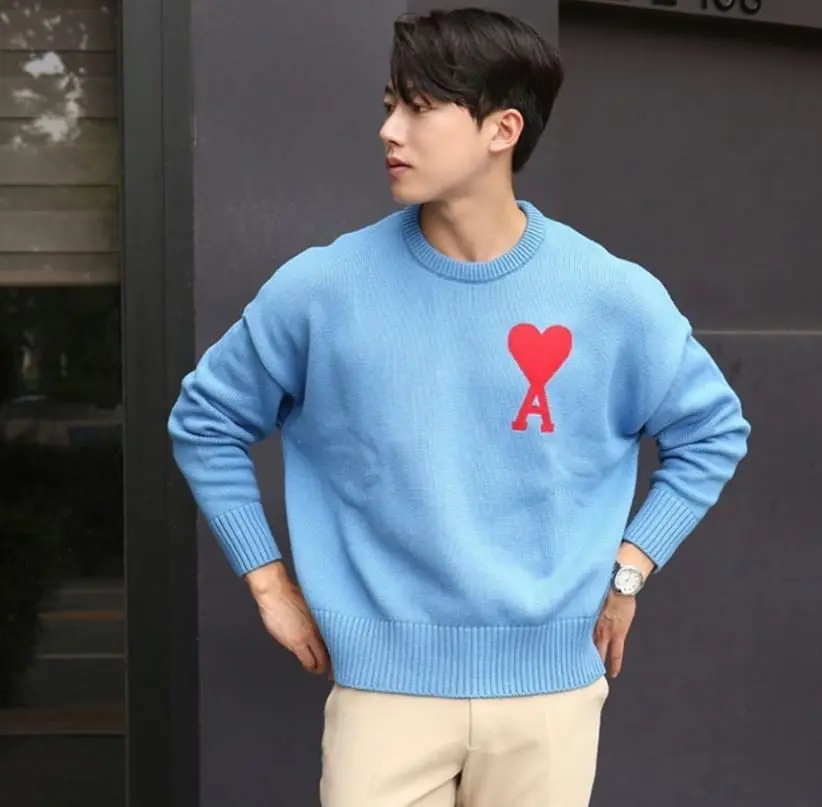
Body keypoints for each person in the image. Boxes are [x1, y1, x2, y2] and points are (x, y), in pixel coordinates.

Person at [168, 8, 750, 807]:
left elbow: (713, 430)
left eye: (419, 107)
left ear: (502, 129)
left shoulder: (611, 295)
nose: (389, 131)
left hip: (550, 696)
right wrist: (268, 582)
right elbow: (205, 419)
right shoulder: (323, 288)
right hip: (383, 698)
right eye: (388, 105)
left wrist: (630, 569)